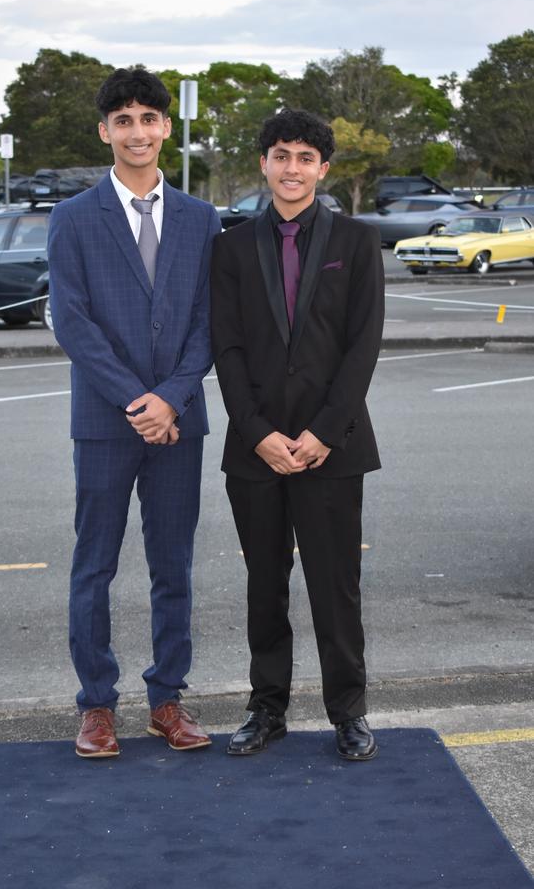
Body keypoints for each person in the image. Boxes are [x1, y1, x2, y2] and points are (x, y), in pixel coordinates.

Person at [48, 68, 221, 758]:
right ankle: (96, 705)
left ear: (165, 128)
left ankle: (167, 699)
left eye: (148, 117)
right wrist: (135, 400)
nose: (138, 131)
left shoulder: (202, 219)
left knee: (173, 566)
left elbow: (211, 323)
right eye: (123, 119)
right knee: (95, 565)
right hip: (104, 421)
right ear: (105, 132)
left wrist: (171, 397)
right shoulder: (72, 218)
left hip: (179, 421)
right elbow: (73, 323)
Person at [210, 108, 384, 760]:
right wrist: (256, 434)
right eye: (281, 155)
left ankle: (348, 711)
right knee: (265, 585)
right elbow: (226, 347)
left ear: (323, 169)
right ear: (264, 163)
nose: (292, 168)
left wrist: (322, 432)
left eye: (305, 158)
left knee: (336, 586)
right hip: (254, 451)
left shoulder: (356, 242)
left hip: (332, 449)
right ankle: (266, 707)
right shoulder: (230, 248)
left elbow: (362, 346)